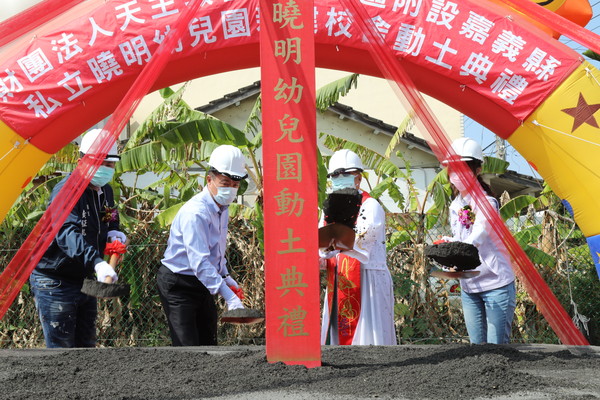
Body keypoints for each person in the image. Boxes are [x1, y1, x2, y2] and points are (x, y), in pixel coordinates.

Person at [30, 128, 126, 348]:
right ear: (83, 161)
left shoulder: (105, 191)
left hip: (83, 279)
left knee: (86, 348)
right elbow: (66, 233)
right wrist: (98, 263)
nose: (107, 170)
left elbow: (110, 215)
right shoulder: (66, 190)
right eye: (103, 164)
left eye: (111, 165)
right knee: (62, 350)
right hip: (54, 279)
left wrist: (114, 230)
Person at [157, 144, 247, 346]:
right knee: (187, 347)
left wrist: (226, 276)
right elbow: (199, 261)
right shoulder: (195, 213)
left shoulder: (222, 208)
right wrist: (229, 298)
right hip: (179, 284)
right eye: (225, 182)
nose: (230, 189)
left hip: (203, 283)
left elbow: (217, 251)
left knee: (208, 342)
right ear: (209, 179)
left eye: (235, 185)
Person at [319, 149, 397, 345]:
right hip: (340, 276)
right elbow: (321, 238)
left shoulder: (370, 205)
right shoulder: (328, 208)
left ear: (358, 178)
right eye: (335, 175)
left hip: (367, 276)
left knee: (370, 334)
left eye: (345, 175)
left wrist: (333, 244)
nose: (340, 179)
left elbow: (363, 238)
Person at [443, 137, 516, 344]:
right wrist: (447, 245)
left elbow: (478, 236)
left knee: (496, 349)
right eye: (453, 168)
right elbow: (460, 238)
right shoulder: (455, 205)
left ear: (477, 170)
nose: (457, 174)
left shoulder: (488, 203)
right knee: (476, 350)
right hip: (469, 285)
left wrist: (457, 248)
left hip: (496, 284)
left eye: (465, 168)